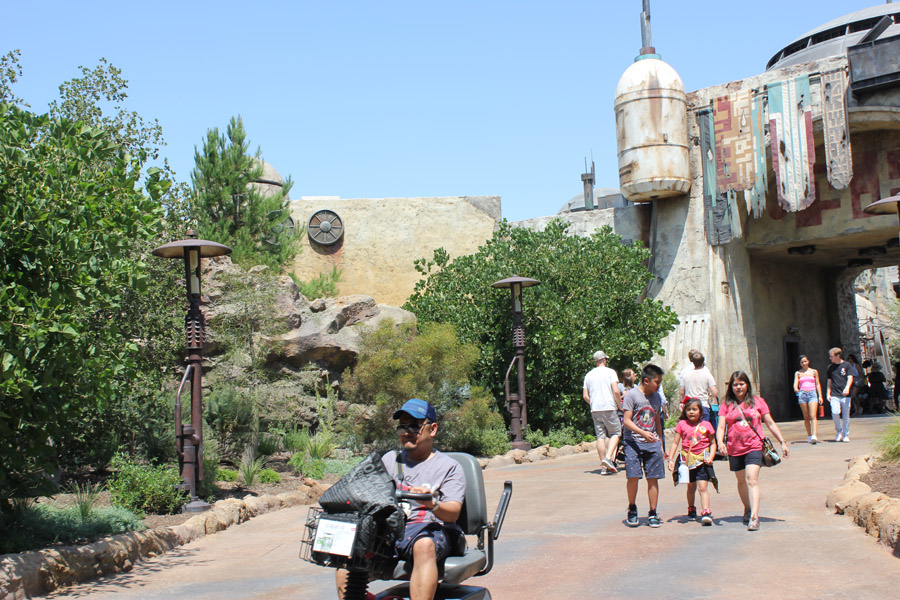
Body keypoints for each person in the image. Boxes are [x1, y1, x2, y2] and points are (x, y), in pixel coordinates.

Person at [335, 399, 465, 600]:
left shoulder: (449, 467)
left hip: (429, 529)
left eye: (413, 426)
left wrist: (432, 503)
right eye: (402, 426)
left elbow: (453, 512)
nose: (406, 432)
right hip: (390, 532)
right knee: (349, 552)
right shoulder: (389, 460)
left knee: (423, 545)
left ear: (432, 429)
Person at [715, 371, 789, 531]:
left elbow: (770, 423)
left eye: (741, 384)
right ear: (731, 387)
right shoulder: (726, 404)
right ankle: (748, 508)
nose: (738, 387)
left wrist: (782, 442)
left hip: (754, 446)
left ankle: (755, 517)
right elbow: (721, 426)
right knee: (741, 481)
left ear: (747, 384)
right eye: (735, 384)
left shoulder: (758, 402)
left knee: (751, 479)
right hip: (734, 448)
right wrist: (720, 442)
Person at [622, 364, 666, 528]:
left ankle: (653, 512)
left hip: (652, 443)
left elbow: (657, 422)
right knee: (633, 476)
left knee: (653, 478)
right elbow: (627, 421)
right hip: (633, 442)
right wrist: (642, 433)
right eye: (657, 382)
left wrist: (660, 442)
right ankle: (632, 508)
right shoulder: (632, 395)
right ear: (646, 380)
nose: (659, 386)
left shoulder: (657, 398)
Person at [666, 397, 717, 525]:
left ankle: (706, 511)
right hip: (687, 461)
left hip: (702, 461)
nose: (691, 412)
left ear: (700, 411)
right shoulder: (682, 425)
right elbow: (675, 443)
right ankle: (691, 508)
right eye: (689, 409)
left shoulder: (706, 425)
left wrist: (711, 456)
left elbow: (713, 443)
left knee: (703, 487)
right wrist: (670, 459)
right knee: (691, 487)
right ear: (685, 411)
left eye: (694, 409)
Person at [583, 351, 622, 475]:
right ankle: (608, 459)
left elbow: (585, 396)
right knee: (616, 432)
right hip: (609, 406)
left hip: (595, 408)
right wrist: (619, 405)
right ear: (604, 359)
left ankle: (603, 468)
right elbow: (616, 391)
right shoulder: (610, 372)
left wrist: (593, 403)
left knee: (600, 436)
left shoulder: (588, 375)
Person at [679, 351, 718, 424]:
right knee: (702, 430)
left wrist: (682, 402)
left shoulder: (686, 375)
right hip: (703, 405)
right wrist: (709, 394)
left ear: (693, 363)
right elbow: (715, 392)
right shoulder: (707, 375)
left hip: (690, 406)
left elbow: (681, 392)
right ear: (703, 362)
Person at [792, 355, 823, 444]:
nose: (804, 363)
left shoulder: (814, 371)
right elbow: (795, 383)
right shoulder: (798, 373)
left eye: (805, 361)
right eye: (802, 362)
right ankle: (809, 435)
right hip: (802, 394)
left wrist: (820, 396)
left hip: (812, 393)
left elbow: (817, 384)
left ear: (808, 361)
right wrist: (795, 388)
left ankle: (814, 435)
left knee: (813, 415)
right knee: (806, 416)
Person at [826, 347, 854, 443]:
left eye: (832, 356)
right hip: (835, 394)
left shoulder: (847, 365)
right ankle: (839, 431)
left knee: (846, 415)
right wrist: (828, 392)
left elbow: (850, 378)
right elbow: (829, 381)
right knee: (835, 412)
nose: (830, 358)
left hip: (845, 395)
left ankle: (846, 434)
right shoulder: (830, 367)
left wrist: (847, 388)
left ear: (838, 356)